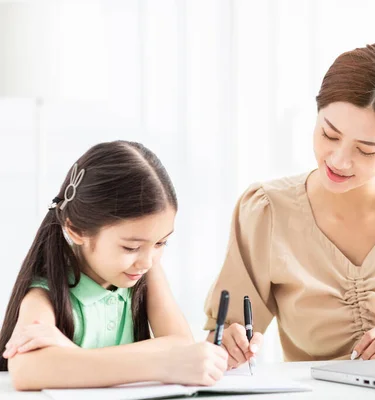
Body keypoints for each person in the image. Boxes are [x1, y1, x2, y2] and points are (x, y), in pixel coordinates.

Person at [205, 44, 375, 367]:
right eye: (329, 134)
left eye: (365, 151)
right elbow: (220, 337)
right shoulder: (266, 212)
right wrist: (229, 345)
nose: (338, 160)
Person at [0, 141, 227, 390]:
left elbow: (182, 345)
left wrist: (71, 353)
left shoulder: (146, 271)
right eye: (131, 247)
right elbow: (26, 369)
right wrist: (161, 363)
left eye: (162, 243)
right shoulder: (46, 294)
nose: (148, 260)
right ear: (76, 231)